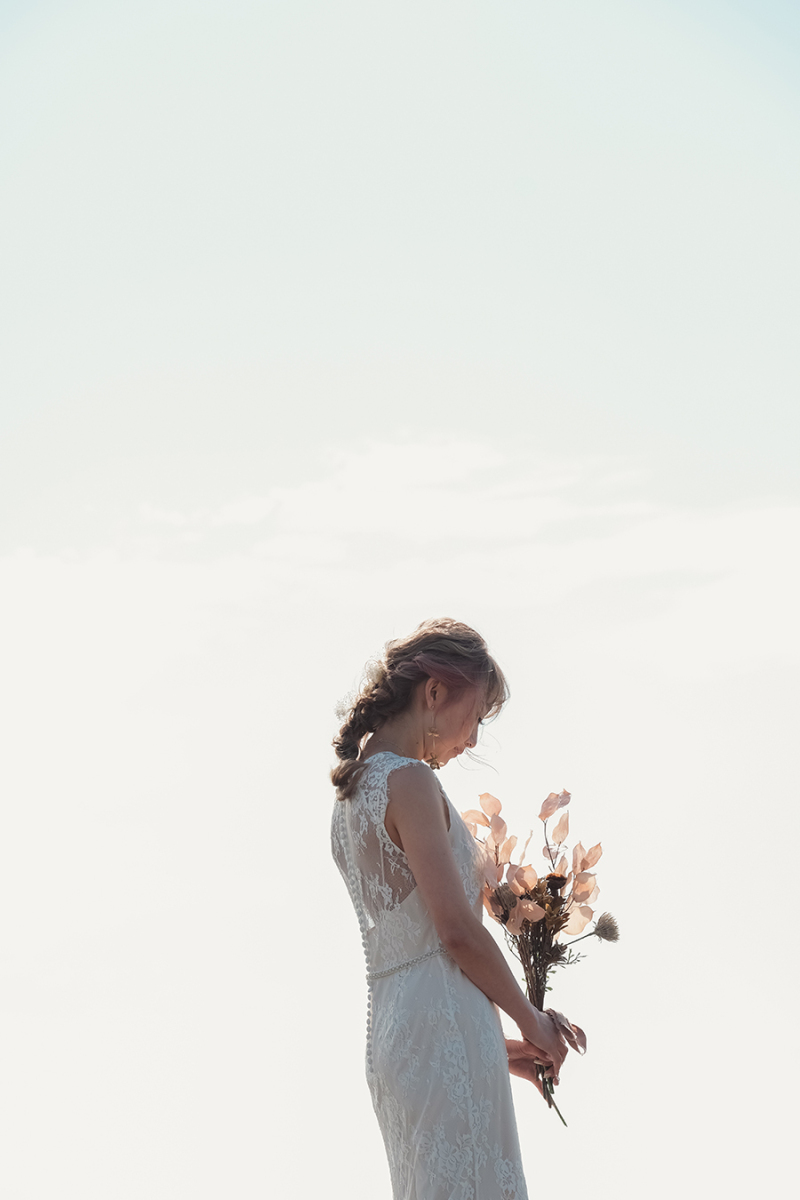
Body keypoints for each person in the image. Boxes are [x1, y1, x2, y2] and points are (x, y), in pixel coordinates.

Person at [331, 618, 577, 1200]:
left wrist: (499, 1049)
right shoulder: (410, 781)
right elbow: (456, 932)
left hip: (396, 1033)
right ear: (436, 691)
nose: (473, 740)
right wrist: (531, 1020)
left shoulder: (349, 796)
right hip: (438, 1027)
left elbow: (413, 948)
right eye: (478, 715)